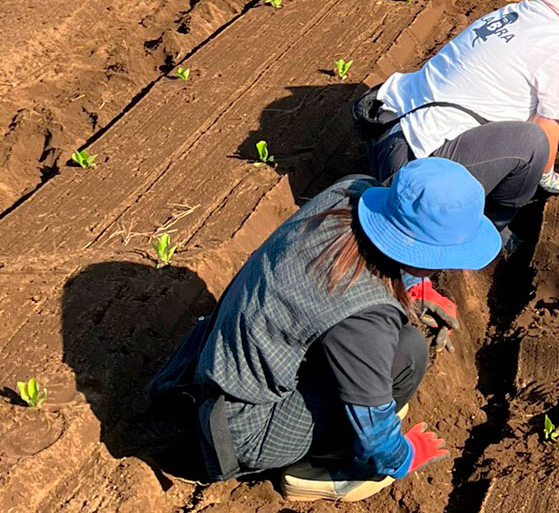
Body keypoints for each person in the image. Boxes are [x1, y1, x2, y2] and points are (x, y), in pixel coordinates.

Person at [148, 158, 500, 503]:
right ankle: (322, 471)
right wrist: (405, 457)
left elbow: (377, 256)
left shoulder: (349, 192)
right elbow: (378, 438)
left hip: (210, 368)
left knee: (386, 349)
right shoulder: (367, 316)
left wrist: (414, 287)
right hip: (241, 432)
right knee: (408, 352)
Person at [365, 0, 559, 199]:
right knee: (533, 143)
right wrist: (546, 175)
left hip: (386, 130)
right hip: (418, 169)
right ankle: (499, 223)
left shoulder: (520, 13)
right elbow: (548, 122)